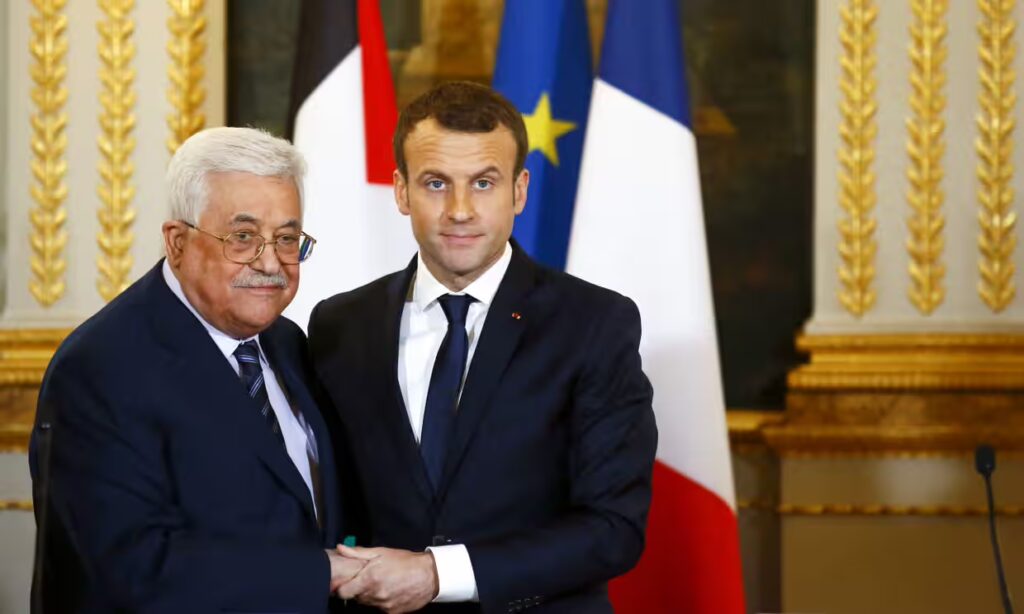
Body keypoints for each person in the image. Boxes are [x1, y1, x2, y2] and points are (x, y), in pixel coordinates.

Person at [310, 81, 658, 613]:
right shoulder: (339, 324)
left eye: (483, 183)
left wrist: (436, 574)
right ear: (400, 192)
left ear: (519, 190)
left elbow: (612, 528)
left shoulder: (594, 324)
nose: (460, 210)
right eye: (435, 183)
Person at [29, 127, 362, 613]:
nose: (270, 261)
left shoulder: (287, 342)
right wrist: (323, 574)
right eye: (242, 237)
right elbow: (130, 572)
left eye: (287, 238)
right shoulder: (99, 370)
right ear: (178, 242)